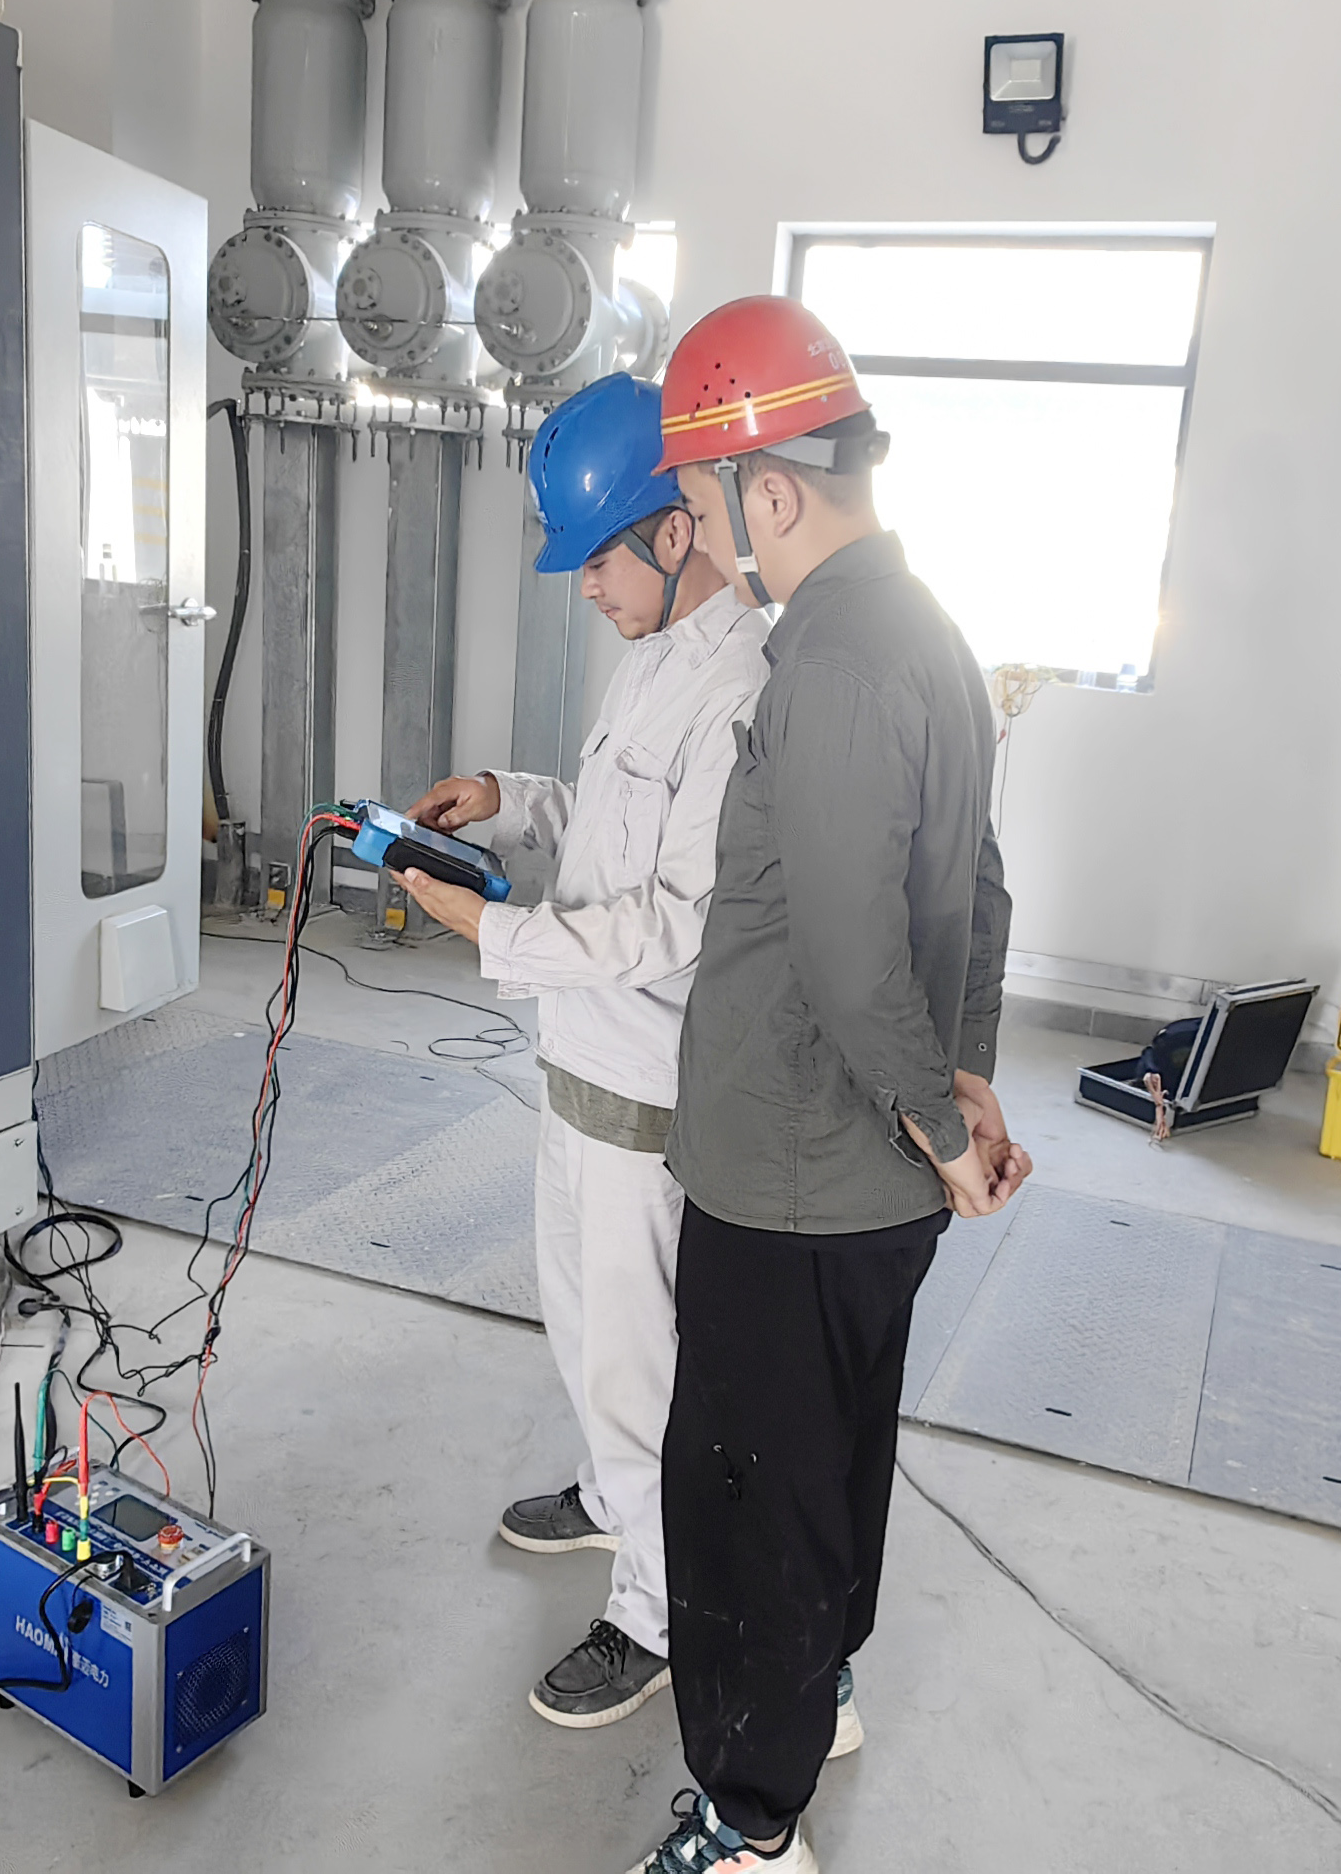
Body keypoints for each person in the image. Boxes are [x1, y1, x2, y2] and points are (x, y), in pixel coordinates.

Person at [621, 296, 1032, 1874]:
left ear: (769, 492)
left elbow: (855, 959)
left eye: (697, 500)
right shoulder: (924, 629)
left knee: (742, 1501)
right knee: (828, 1460)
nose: (695, 535)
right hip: (863, 1175)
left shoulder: (835, 665)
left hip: (794, 1170)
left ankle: (746, 1822)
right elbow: (978, 887)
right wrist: (964, 1081)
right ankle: (819, 1693)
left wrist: (941, 1125)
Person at [391, 372, 769, 1735]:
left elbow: (673, 922)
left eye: (597, 558)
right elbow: (608, 825)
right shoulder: (654, 652)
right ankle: (613, 1502)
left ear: (676, 529)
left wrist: (488, 928)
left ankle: (658, 1617)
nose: (585, 587)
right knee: (579, 1322)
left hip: (646, 1086)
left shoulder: (739, 686)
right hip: (579, 1066)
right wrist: (508, 799)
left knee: (635, 1365)